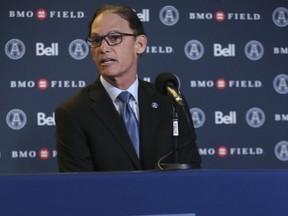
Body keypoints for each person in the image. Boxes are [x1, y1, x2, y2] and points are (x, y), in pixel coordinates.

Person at [55, 4, 201, 172]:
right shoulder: (73, 112)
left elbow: (190, 174)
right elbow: (79, 189)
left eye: (115, 37)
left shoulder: (171, 102)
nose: (103, 48)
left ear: (139, 44)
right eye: (96, 40)